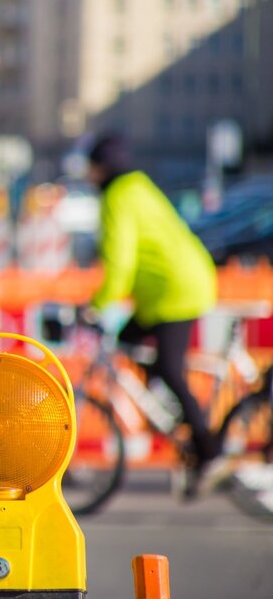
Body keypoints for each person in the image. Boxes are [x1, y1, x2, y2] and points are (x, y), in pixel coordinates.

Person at [82, 133, 220, 498]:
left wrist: (97, 304)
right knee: (128, 342)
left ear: (101, 168)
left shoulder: (117, 196)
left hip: (174, 290)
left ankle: (207, 449)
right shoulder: (138, 185)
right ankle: (171, 415)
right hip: (171, 287)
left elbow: (120, 262)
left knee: (170, 367)